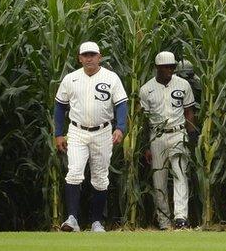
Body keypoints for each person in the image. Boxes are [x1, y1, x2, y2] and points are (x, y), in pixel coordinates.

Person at [55, 41, 128, 232]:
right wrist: (58, 133)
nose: (89, 58)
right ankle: (72, 219)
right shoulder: (71, 79)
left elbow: (121, 104)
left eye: (92, 55)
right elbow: (60, 106)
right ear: (79, 58)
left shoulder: (111, 78)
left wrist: (120, 127)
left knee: (100, 177)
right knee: (74, 173)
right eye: (85, 55)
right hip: (77, 131)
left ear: (99, 57)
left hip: (103, 132)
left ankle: (97, 222)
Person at [140, 51, 197, 230]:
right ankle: (164, 221)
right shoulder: (146, 89)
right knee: (159, 180)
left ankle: (181, 218)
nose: (170, 70)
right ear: (157, 67)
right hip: (156, 136)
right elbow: (143, 119)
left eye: (172, 67)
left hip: (178, 133)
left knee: (180, 174)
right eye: (166, 67)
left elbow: (189, 112)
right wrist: (145, 146)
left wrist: (192, 136)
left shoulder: (183, 85)